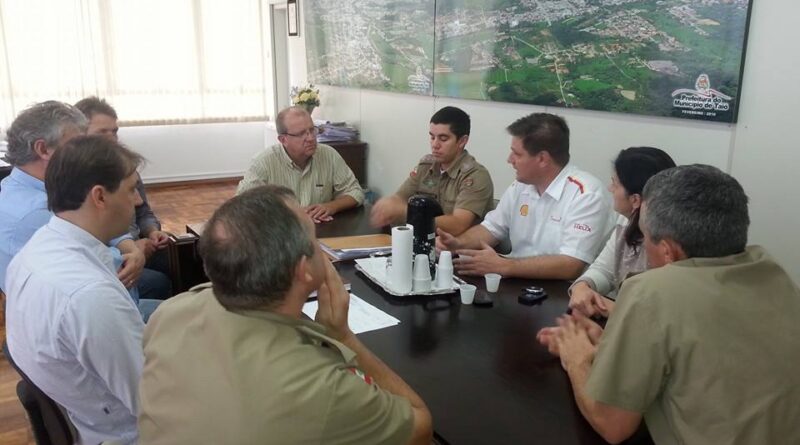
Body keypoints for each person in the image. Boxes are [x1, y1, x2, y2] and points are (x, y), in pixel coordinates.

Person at [139, 185, 432, 445]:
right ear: (303, 269)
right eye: (315, 241)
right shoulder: (322, 389)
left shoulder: (170, 312)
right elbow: (420, 428)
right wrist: (343, 337)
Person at [537, 165, 800, 445]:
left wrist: (577, 357)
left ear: (667, 250)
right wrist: (612, 346)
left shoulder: (651, 290)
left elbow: (613, 424)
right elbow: (716, 365)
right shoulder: (773, 272)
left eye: (645, 235)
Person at [5, 135, 149, 445]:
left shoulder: (32, 253)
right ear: (100, 196)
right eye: (131, 189)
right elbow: (153, 403)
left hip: (88, 415)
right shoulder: (91, 298)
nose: (138, 201)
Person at [437, 113, 614, 279]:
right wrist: (458, 244)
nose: (509, 159)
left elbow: (571, 265)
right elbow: (491, 229)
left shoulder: (586, 195)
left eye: (517, 154)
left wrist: (504, 266)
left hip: (564, 294)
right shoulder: (520, 186)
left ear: (542, 159)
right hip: (518, 283)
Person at [0, 102, 145, 303]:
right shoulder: (35, 212)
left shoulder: (24, 183)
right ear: (43, 149)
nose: (86, 152)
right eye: (77, 144)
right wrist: (139, 250)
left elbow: (103, 221)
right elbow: (106, 267)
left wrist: (129, 246)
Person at [75, 96, 172, 300]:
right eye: (102, 132)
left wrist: (152, 232)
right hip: (112, 257)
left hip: (140, 244)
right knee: (157, 282)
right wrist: (131, 250)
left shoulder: (125, 164)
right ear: (80, 134)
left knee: (183, 255)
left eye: (115, 131)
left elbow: (143, 210)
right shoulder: (77, 175)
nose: (112, 138)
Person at [568, 147, 676, 317]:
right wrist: (583, 287)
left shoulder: (671, 242)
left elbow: (661, 313)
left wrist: (609, 308)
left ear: (635, 200)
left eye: (615, 184)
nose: (610, 189)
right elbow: (604, 270)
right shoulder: (626, 221)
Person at [370, 106, 494, 235]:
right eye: (432, 137)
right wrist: (388, 204)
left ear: (462, 141)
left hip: (460, 250)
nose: (435, 144)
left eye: (443, 138)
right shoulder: (426, 166)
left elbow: (458, 225)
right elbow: (399, 198)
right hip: (425, 242)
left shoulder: (475, 176)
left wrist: (406, 212)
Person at [236, 106, 364, 223]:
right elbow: (242, 204)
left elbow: (355, 192)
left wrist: (331, 206)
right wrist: (289, 214)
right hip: (279, 231)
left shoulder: (329, 155)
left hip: (322, 230)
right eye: (301, 134)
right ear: (283, 140)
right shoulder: (263, 162)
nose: (310, 138)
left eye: (312, 130)